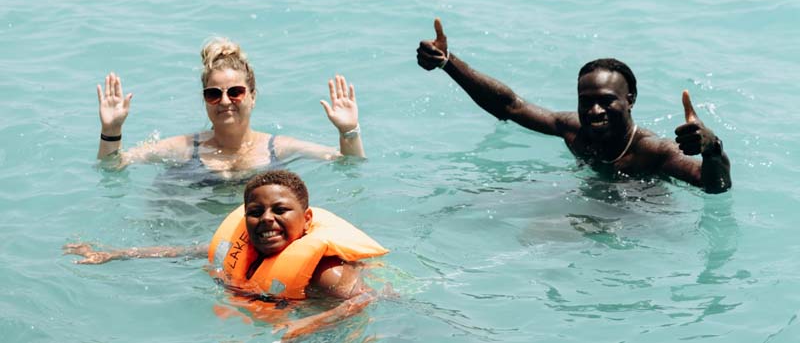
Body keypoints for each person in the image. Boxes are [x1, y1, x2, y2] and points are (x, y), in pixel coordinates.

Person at [64, 170, 390, 339]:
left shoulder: (327, 273)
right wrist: (115, 254)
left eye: (280, 210)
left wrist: (307, 326)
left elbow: (365, 299)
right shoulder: (246, 247)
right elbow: (188, 251)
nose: (266, 219)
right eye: (255, 211)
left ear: (305, 220)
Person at [416, 19, 731, 194]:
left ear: (630, 99)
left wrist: (712, 148)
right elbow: (510, 106)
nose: (595, 111)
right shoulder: (573, 130)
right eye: (586, 102)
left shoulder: (654, 151)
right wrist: (448, 63)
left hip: (643, 217)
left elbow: (714, 187)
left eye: (607, 101)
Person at [96, 37, 364, 180]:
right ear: (205, 100)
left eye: (235, 92)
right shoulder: (185, 149)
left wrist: (349, 131)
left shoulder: (277, 148)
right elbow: (114, 166)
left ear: (253, 96)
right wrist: (111, 130)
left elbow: (348, 162)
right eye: (214, 94)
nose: (225, 101)